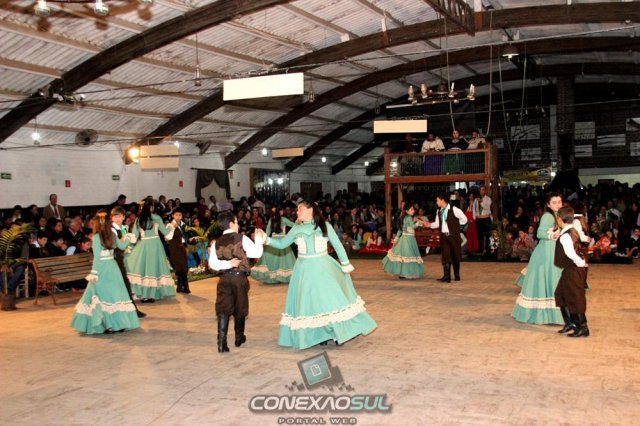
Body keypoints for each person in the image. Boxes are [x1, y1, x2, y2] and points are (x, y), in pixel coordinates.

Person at [263, 201, 377, 350]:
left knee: (328, 300)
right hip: (303, 270)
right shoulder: (296, 228)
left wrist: (345, 264)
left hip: (323, 267)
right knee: (309, 303)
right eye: (297, 210)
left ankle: (335, 332)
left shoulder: (324, 226)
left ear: (311, 210)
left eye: (301, 209)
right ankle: (318, 334)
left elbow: (338, 246)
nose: (297, 212)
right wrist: (266, 239)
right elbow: (282, 244)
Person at [70, 211, 140, 335]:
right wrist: (129, 236)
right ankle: (119, 324)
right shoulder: (112, 234)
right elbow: (122, 246)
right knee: (116, 295)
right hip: (113, 266)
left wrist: (94, 273)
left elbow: (97, 257)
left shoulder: (97, 237)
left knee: (102, 296)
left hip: (102, 268)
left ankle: (109, 325)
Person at [208, 211, 265, 353]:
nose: (238, 225)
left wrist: (227, 265)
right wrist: (258, 239)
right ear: (232, 223)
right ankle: (239, 337)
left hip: (224, 279)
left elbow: (212, 264)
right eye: (237, 222)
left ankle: (221, 343)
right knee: (240, 307)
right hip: (239, 278)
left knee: (223, 308)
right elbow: (256, 253)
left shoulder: (216, 242)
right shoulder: (241, 238)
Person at [512, 192, 564, 324]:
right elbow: (540, 233)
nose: (558, 205)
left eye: (559, 202)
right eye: (554, 202)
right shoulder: (548, 216)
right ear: (548, 205)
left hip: (552, 251)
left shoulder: (557, 215)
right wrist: (553, 235)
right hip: (546, 253)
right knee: (548, 281)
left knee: (551, 282)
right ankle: (545, 315)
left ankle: (551, 315)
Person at [126, 199, 176, 302]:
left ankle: (145, 295)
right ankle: (153, 294)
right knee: (154, 269)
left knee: (144, 270)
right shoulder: (156, 218)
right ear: (152, 207)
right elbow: (166, 233)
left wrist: (128, 244)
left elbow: (134, 237)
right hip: (155, 245)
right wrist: (172, 226)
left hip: (143, 245)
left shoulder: (138, 219)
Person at [554, 206, 590, 337]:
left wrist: (580, 262)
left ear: (559, 219)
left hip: (573, 268)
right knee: (561, 293)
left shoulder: (565, 236)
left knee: (575, 297)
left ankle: (582, 327)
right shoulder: (572, 230)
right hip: (571, 268)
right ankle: (571, 323)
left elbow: (571, 253)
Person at [110, 207, 146, 318]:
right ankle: (129, 310)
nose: (118, 219)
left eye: (120, 216)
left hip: (123, 258)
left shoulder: (123, 228)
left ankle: (129, 310)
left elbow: (125, 245)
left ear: (124, 217)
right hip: (114, 260)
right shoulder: (112, 230)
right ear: (112, 218)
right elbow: (116, 245)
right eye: (116, 216)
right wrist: (126, 240)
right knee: (122, 284)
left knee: (124, 284)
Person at [426, 194, 468, 282]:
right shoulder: (439, 211)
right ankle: (447, 276)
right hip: (444, 236)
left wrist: (456, 224)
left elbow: (465, 219)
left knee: (455, 255)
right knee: (446, 256)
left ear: (442, 200)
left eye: (437, 200)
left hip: (454, 236)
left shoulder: (454, 209)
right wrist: (429, 225)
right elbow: (437, 224)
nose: (436, 202)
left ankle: (457, 275)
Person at [251, 209, 296, 284]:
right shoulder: (283, 219)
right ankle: (280, 278)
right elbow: (294, 225)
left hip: (273, 241)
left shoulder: (271, 220)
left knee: (272, 261)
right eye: (281, 210)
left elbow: (267, 232)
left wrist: (264, 243)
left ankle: (273, 278)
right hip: (282, 240)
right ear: (280, 211)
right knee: (284, 261)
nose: (282, 211)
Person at [382, 205, 424, 279]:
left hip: (404, 239)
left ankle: (402, 273)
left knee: (404, 256)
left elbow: (400, 229)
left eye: (413, 209)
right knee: (409, 256)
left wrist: (396, 238)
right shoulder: (409, 217)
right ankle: (407, 273)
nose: (413, 210)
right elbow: (413, 226)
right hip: (409, 239)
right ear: (407, 211)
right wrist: (419, 222)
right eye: (411, 209)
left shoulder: (404, 217)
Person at [166, 207, 191, 294]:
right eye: (176, 215)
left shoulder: (184, 225)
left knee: (184, 267)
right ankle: (182, 286)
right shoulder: (169, 225)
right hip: (174, 248)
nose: (178, 217)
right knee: (178, 267)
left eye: (180, 215)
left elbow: (185, 238)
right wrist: (173, 228)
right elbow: (167, 237)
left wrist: (186, 247)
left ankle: (183, 286)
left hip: (182, 248)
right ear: (173, 215)